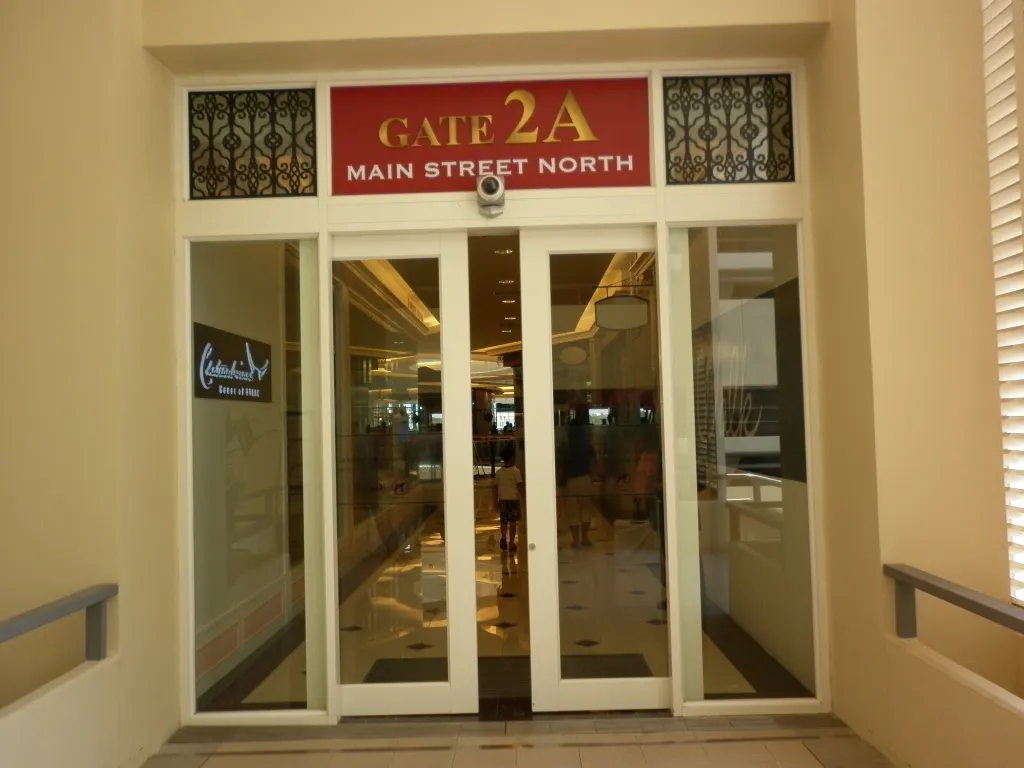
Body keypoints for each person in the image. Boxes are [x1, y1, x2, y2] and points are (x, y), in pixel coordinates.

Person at [493, 445, 524, 551]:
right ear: (512, 458)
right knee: (513, 522)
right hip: (514, 499)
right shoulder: (516, 471)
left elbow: (495, 488)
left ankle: (503, 537)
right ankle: (511, 543)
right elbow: (519, 485)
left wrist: (495, 501)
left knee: (503, 521)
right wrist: (524, 498)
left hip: (502, 499)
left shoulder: (499, 472)